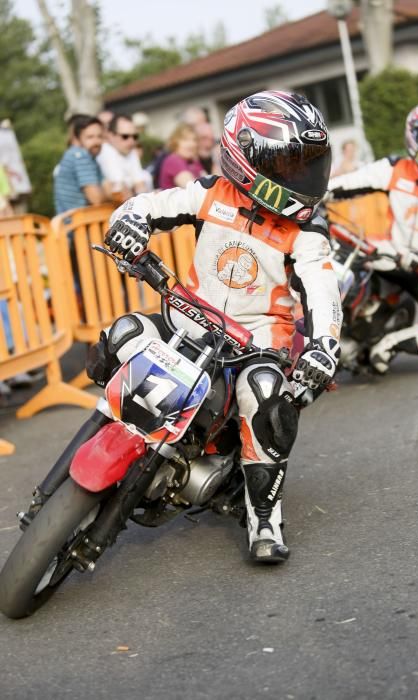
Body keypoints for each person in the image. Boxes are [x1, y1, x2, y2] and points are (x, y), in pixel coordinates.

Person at [100, 91, 342, 563]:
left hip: (257, 344)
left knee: (267, 393)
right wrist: (128, 224)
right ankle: (105, 434)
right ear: (245, 155)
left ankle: (264, 515)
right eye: (289, 163)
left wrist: (323, 348)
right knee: (123, 333)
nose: (302, 176)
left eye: (308, 164)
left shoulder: (308, 232)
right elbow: (144, 204)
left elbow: (323, 293)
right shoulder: (208, 192)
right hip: (185, 322)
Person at [328, 99, 418, 372]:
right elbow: (345, 183)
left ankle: (398, 340)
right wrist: (311, 197)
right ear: (417, 137)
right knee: (331, 273)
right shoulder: (394, 168)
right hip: (386, 256)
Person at [54, 115, 109, 215]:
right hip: (79, 225)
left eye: (99, 136)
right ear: (78, 139)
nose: (96, 142)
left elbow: (106, 187)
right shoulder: (80, 156)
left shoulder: (90, 158)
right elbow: (96, 199)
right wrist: (110, 195)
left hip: (82, 222)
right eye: (90, 137)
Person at [97, 114, 149, 202]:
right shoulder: (105, 151)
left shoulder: (129, 151)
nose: (131, 141)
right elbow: (121, 190)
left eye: (135, 136)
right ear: (110, 135)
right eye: (125, 136)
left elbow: (140, 185)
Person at [158, 123, 205, 189]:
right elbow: (193, 188)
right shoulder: (173, 160)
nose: (191, 144)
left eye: (194, 140)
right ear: (175, 142)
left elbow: (209, 181)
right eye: (185, 140)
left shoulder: (193, 161)